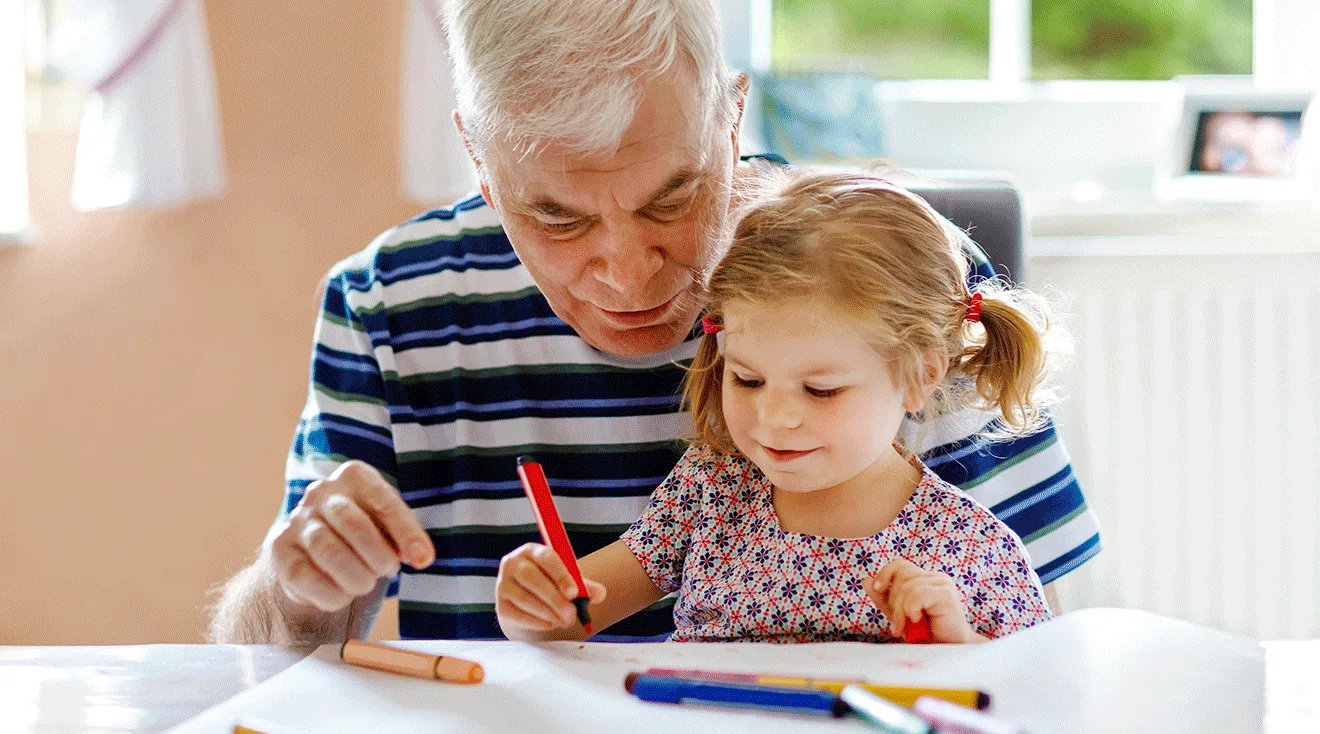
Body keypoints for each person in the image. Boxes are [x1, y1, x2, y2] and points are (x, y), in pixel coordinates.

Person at [208, 0, 1100, 645]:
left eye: (673, 198)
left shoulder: (882, 275)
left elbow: (1042, 649)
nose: (627, 273)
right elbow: (275, 656)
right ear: (479, 159)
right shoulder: (389, 304)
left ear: (731, 117)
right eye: (557, 217)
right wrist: (301, 589)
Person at [495, 170, 1055, 644]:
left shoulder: (971, 550)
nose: (774, 417)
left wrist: (958, 646)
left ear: (922, 375)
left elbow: (1032, 694)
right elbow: (573, 618)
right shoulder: (713, 489)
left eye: (821, 390)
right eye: (747, 379)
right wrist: (533, 605)